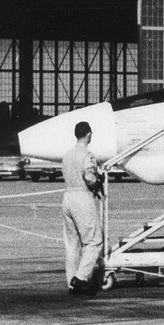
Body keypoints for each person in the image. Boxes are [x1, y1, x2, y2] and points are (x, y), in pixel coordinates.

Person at [61, 121, 105, 296]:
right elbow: (89, 177)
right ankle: (80, 278)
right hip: (81, 196)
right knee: (94, 240)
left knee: (72, 244)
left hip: (67, 196)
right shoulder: (87, 155)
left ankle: (71, 283)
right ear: (89, 134)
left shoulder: (67, 155)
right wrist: (98, 181)